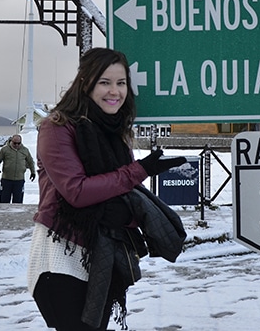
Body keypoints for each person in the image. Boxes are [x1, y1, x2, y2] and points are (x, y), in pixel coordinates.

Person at [27, 47, 187, 331]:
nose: (115, 91)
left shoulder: (114, 131)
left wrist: (130, 214)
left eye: (121, 83)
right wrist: (139, 171)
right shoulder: (57, 128)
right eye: (105, 82)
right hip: (61, 256)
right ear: (85, 84)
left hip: (102, 255)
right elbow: (76, 191)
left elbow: (122, 193)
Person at [0, 134, 36, 203]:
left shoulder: (25, 150)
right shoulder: (5, 149)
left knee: (18, 202)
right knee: (4, 202)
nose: (16, 145)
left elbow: (30, 161)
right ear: (11, 141)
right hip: (6, 180)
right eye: (14, 143)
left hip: (19, 180)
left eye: (18, 143)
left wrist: (33, 172)